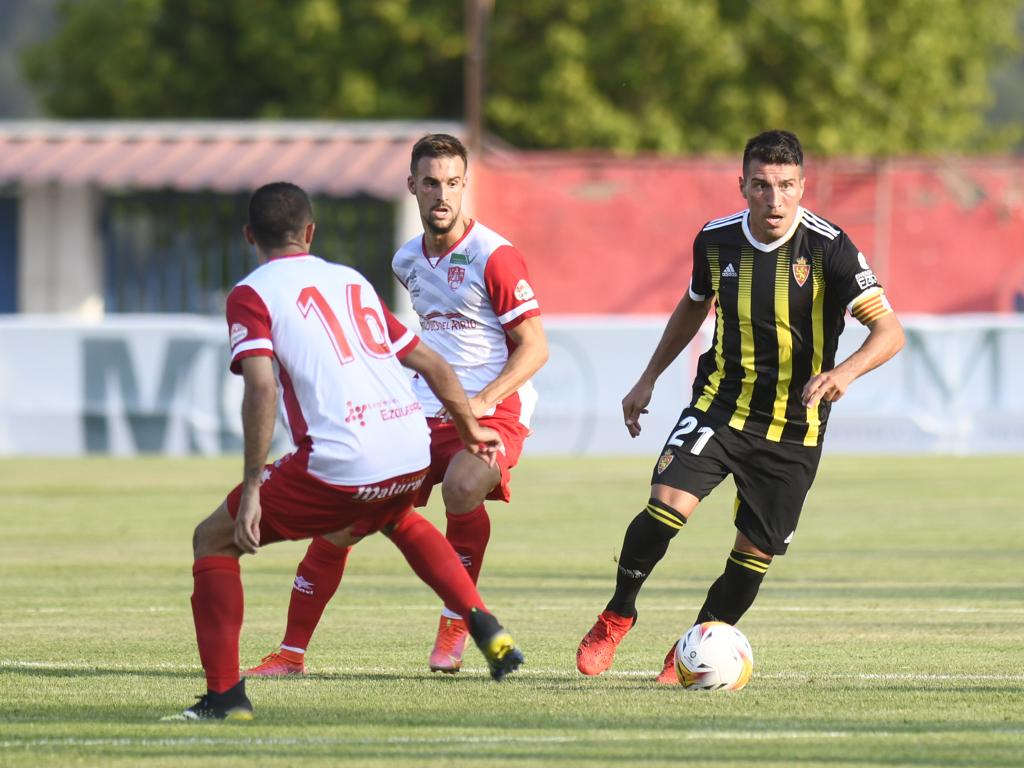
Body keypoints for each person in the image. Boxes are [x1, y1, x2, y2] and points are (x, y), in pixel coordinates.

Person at [169, 181, 524, 721]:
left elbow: (261, 387)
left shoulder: (250, 293)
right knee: (397, 517)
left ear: (249, 236)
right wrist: (469, 426)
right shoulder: (351, 280)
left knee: (213, 540)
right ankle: (483, 623)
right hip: (409, 447)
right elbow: (429, 362)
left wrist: (251, 492)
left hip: (342, 457)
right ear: (310, 233)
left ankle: (225, 698)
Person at [575, 130, 905, 684]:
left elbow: (889, 331)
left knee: (753, 554)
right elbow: (692, 306)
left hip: (793, 427)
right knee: (665, 508)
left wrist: (843, 372)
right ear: (743, 185)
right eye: (761, 186)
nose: (774, 201)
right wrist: (648, 378)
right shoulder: (715, 240)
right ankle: (617, 614)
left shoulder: (830, 248)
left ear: (803, 186)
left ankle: (690, 650)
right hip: (721, 406)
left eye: (785, 186)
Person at [245, 134, 548, 678]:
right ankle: (290, 654)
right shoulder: (406, 260)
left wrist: (479, 401)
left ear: (464, 186)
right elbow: (416, 347)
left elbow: (536, 346)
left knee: (461, 485)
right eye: (431, 182)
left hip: (492, 406)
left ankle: (457, 618)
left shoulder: (494, 257)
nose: (442, 195)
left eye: (453, 183)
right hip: (420, 410)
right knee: (343, 518)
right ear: (411, 186)